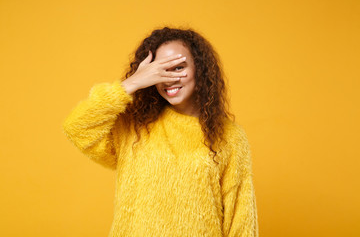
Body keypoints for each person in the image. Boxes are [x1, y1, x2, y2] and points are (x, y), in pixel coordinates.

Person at [62, 26, 259, 237]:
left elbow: (241, 218)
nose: (168, 79)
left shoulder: (229, 136)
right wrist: (134, 82)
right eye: (159, 71)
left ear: (199, 69)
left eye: (178, 67)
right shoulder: (135, 125)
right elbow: (77, 127)